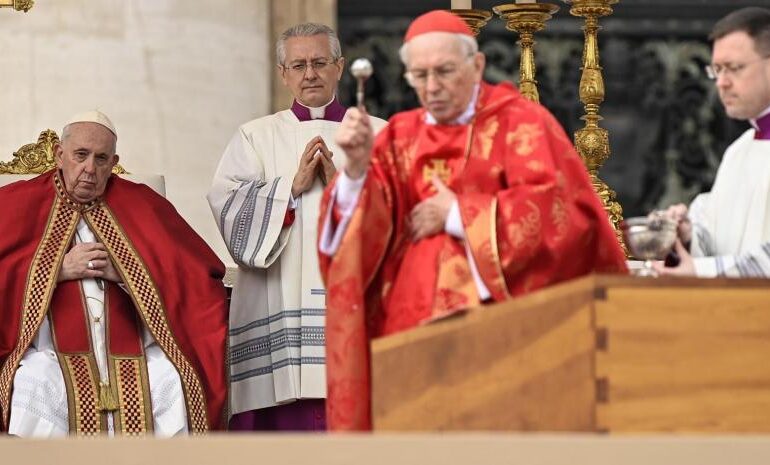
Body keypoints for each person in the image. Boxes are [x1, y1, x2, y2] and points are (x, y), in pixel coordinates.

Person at [317, 10, 628, 431]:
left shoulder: (522, 124)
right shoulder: (399, 135)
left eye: (444, 72)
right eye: (419, 76)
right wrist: (354, 172)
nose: (432, 88)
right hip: (408, 340)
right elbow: (359, 246)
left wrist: (459, 215)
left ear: (477, 65)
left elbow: (564, 219)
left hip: (500, 338)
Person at [0, 111, 228, 437]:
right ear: (59, 155)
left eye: (101, 158)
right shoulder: (15, 203)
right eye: (81, 155)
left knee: (171, 379)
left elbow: (198, 275)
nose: (90, 169)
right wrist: (55, 270)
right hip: (49, 353)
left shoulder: (143, 204)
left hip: (135, 350)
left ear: (114, 161)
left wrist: (128, 272)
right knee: (33, 382)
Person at [207, 23, 386, 431]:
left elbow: (399, 211)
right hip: (278, 302)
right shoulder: (255, 136)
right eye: (299, 65)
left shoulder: (379, 134)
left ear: (339, 67)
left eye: (321, 63)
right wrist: (289, 190)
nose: (310, 74)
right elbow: (228, 205)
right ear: (283, 73)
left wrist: (343, 186)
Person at [656, 7, 770, 278]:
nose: (722, 82)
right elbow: (722, 240)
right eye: (716, 70)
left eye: (734, 68)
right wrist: (688, 235)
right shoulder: (739, 150)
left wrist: (700, 270)